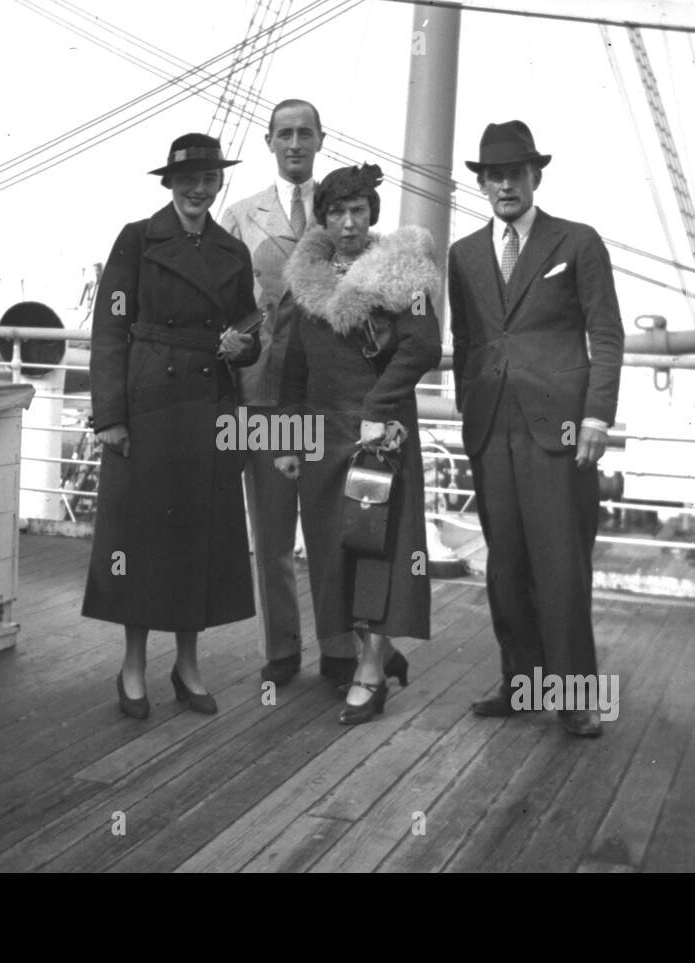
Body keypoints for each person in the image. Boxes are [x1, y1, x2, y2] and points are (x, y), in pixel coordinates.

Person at [448, 120, 624, 737]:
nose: (503, 186)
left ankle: (577, 696)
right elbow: (466, 340)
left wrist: (598, 415)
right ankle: (522, 685)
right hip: (492, 426)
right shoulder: (464, 254)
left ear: (535, 177)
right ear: (482, 183)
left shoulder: (577, 242)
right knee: (506, 564)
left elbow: (606, 334)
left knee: (562, 563)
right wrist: (470, 406)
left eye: (514, 175)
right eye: (492, 176)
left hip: (561, 429)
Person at [83, 133, 261, 719]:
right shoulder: (136, 240)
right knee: (140, 541)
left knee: (197, 540)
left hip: (209, 406)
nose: (198, 190)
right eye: (188, 180)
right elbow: (110, 329)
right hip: (148, 404)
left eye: (209, 180)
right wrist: (109, 415)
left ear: (219, 184)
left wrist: (243, 347)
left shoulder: (232, 254)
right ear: (169, 183)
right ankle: (132, 667)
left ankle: (187, 666)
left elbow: (248, 334)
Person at [274, 163, 442, 725]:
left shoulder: (402, 273)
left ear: (372, 215)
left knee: (379, 551)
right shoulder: (308, 280)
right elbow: (293, 369)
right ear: (323, 218)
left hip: (381, 431)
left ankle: (371, 674)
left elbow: (422, 347)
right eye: (338, 213)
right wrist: (289, 439)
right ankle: (376, 651)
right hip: (322, 436)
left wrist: (377, 408)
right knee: (331, 550)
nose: (349, 223)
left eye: (359, 212)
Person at [220, 98, 357, 689]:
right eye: (285, 134)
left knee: (329, 528)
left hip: (326, 395)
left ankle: (338, 647)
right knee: (272, 530)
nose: (295, 143)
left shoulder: (342, 211)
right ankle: (280, 646)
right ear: (269, 141)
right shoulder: (242, 214)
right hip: (265, 392)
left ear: (322, 139)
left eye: (305, 133)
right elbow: (223, 302)